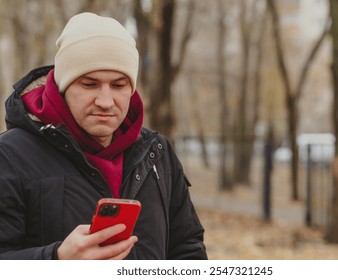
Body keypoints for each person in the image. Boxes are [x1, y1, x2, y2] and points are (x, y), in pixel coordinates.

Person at [0, 12, 207, 260]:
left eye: (119, 85)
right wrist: (56, 261)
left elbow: (187, 248)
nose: (106, 101)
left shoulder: (157, 153)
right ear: (62, 86)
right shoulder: (10, 156)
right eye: (89, 84)